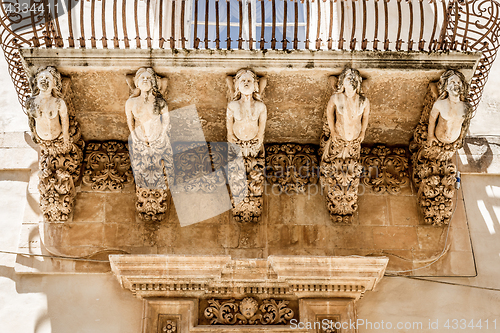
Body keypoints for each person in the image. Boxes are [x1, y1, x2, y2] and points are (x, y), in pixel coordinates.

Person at [26, 66, 70, 147]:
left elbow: (64, 120)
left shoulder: (58, 102)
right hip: (40, 138)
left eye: (47, 78)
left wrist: (66, 136)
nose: (43, 79)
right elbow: (30, 119)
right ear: (36, 82)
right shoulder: (30, 102)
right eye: (40, 77)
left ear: (54, 83)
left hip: (57, 136)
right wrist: (33, 133)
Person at [227, 69, 267, 156]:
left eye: (249, 81)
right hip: (237, 141)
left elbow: (262, 123)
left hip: (253, 143)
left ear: (255, 86)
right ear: (237, 86)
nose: (246, 82)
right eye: (242, 80)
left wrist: (260, 135)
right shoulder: (233, 105)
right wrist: (230, 134)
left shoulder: (260, 106)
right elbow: (229, 122)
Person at [125, 68, 169, 145]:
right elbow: (130, 119)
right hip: (140, 137)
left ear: (154, 83)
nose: (145, 79)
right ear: (137, 83)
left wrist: (162, 135)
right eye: (142, 78)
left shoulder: (160, 102)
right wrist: (133, 135)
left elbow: (166, 120)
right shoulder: (131, 102)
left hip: (156, 137)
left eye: (149, 78)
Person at [326, 68, 370, 144]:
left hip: (355, 138)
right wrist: (332, 131)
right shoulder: (336, 98)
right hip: (339, 135)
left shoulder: (364, 101)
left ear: (358, 83)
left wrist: (363, 132)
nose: (352, 80)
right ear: (342, 82)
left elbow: (365, 117)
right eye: (349, 78)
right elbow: (329, 114)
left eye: (355, 78)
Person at [427, 70, 470, 146]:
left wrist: (460, 138)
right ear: (446, 87)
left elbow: (465, 123)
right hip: (439, 137)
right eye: (452, 82)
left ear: (462, 87)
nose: (456, 84)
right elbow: (432, 122)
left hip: (455, 139)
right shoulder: (440, 104)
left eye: (458, 82)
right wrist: (430, 136)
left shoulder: (466, 107)